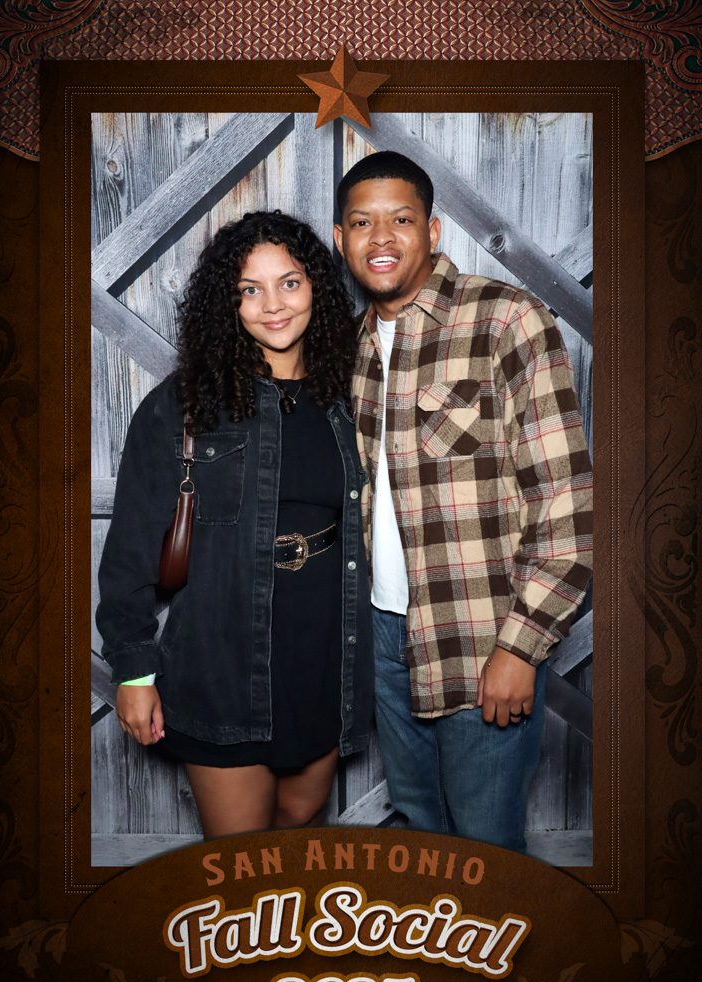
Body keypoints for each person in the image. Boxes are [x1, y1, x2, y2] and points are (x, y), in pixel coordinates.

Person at [333, 151, 593, 852]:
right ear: (340, 237)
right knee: (423, 844)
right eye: (361, 222)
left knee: (487, 850)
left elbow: (565, 503)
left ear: (433, 230)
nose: (381, 238)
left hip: (482, 637)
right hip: (385, 637)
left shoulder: (505, 319)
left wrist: (520, 648)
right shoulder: (353, 348)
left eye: (401, 219)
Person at [96, 210, 373, 839]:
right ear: (229, 303)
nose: (273, 305)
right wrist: (134, 671)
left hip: (325, 654)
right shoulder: (184, 404)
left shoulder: (346, 399)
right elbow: (131, 549)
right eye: (250, 289)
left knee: (299, 827)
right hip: (221, 660)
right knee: (240, 859)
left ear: (316, 289)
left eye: (289, 283)